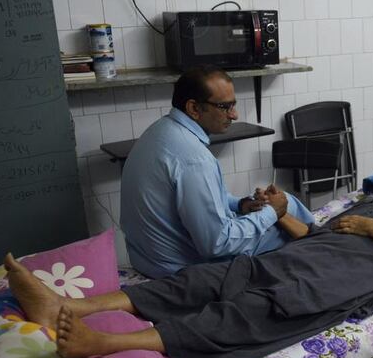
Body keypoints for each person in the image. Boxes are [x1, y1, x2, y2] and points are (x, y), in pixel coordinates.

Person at [8, 147, 373, 358]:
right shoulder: (372, 198)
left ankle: (100, 342)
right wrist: (281, 213)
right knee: (206, 276)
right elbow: (319, 233)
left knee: (250, 311)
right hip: (303, 255)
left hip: (343, 278)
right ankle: (68, 305)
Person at [120, 65, 315, 278]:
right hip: (179, 268)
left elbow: (191, 202)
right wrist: (272, 213)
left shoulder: (159, 132)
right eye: (225, 106)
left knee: (281, 206)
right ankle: (323, 251)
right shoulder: (194, 159)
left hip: (146, 260)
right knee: (289, 210)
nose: (234, 114)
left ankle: (309, 234)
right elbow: (217, 244)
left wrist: (241, 204)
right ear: (194, 108)